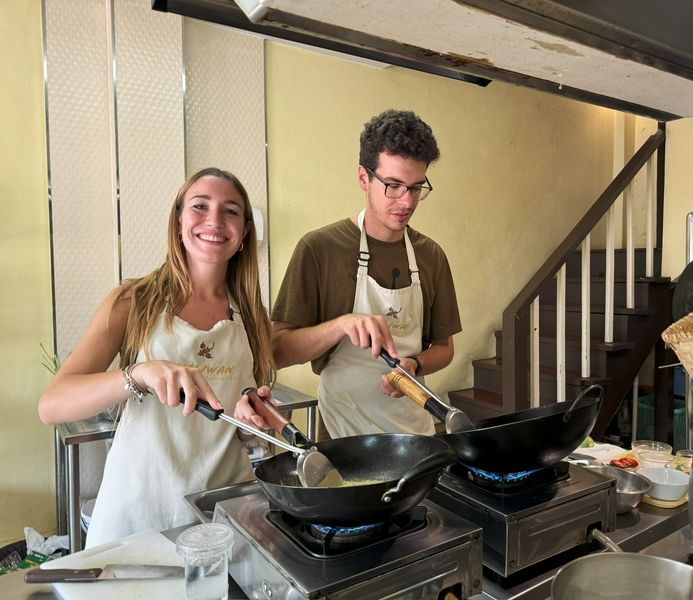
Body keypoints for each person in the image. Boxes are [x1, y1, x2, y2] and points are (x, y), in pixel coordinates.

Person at [38, 168, 276, 548]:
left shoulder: (251, 315)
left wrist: (253, 420)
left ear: (245, 231)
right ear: (179, 219)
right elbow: (52, 405)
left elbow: (240, 417)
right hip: (139, 516)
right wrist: (138, 374)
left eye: (231, 211)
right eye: (200, 206)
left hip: (223, 514)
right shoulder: (134, 301)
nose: (214, 220)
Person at [267, 109, 461, 438]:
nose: (406, 201)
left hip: (414, 432)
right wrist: (341, 325)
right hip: (345, 435)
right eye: (393, 185)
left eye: (416, 188)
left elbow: (445, 347)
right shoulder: (319, 249)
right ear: (363, 178)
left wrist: (415, 365)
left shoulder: (431, 256)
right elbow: (277, 352)